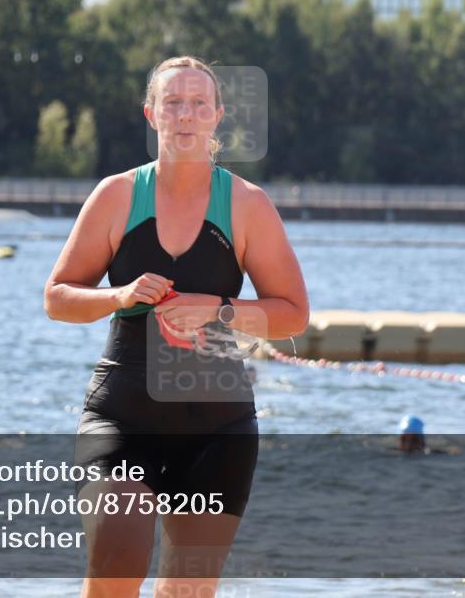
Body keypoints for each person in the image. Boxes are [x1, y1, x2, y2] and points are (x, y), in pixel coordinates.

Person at [44, 56, 309, 598]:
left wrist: (217, 308)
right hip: (123, 414)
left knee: (186, 591)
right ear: (151, 114)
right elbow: (57, 298)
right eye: (173, 103)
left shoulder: (248, 206)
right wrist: (119, 295)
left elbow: (293, 314)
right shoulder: (116, 196)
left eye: (198, 104)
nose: (185, 115)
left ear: (217, 117)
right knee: (116, 566)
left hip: (217, 428)